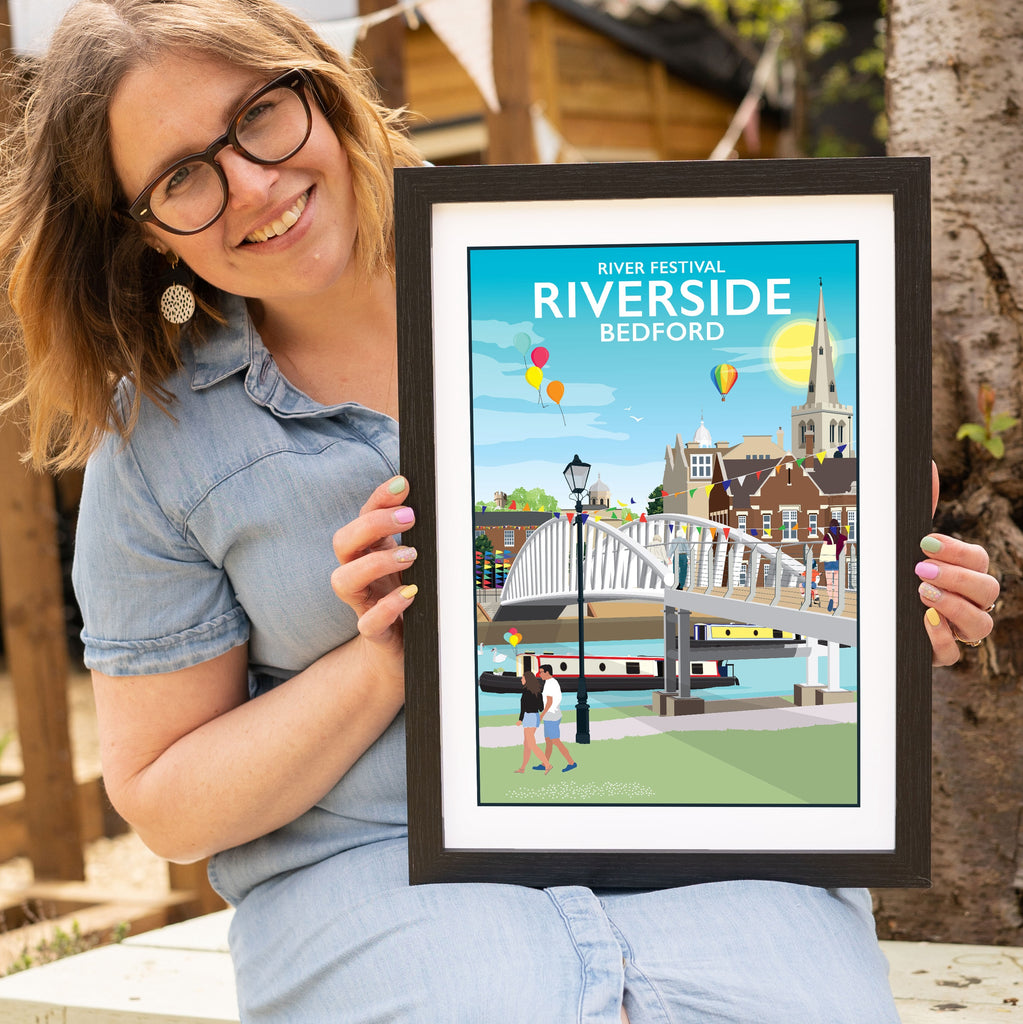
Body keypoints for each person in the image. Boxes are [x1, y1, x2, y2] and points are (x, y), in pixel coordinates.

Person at [0, 2, 999, 1020]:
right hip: (376, 883)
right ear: (146, 233)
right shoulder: (162, 442)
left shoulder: (570, 273)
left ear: (319, 86)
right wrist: (388, 657)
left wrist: (891, 614)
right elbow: (165, 800)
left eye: (259, 113)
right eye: (180, 178)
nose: (251, 185)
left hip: (717, 855)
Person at [535, 663, 577, 773]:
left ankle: (571, 762)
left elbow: (549, 702)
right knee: (548, 741)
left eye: (541, 672)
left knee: (555, 741)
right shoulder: (551, 682)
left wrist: (542, 715)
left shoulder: (550, 684)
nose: (540, 674)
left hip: (551, 716)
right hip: (552, 715)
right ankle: (545, 763)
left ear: (547, 672)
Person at [516, 671, 551, 774]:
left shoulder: (526, 692)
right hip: (534, 717)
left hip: (528, 717)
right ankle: (522, 768)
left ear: (527, 680)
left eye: (522, 678)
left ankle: (547, 764)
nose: (521, 680)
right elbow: (541, 708)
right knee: (527, 744)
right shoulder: (538, 692)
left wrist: (520, 719)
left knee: (531, 744)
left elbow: (523, 708)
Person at [820, 518, 847, 612]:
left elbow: (824, 547)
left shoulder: (826, 536)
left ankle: (830, 599)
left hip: (828, 560)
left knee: (829, 583)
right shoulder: (843, 537)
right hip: (837, 561)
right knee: (836, 584)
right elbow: (845, 551)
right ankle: (835, 605)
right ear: (838, 526)